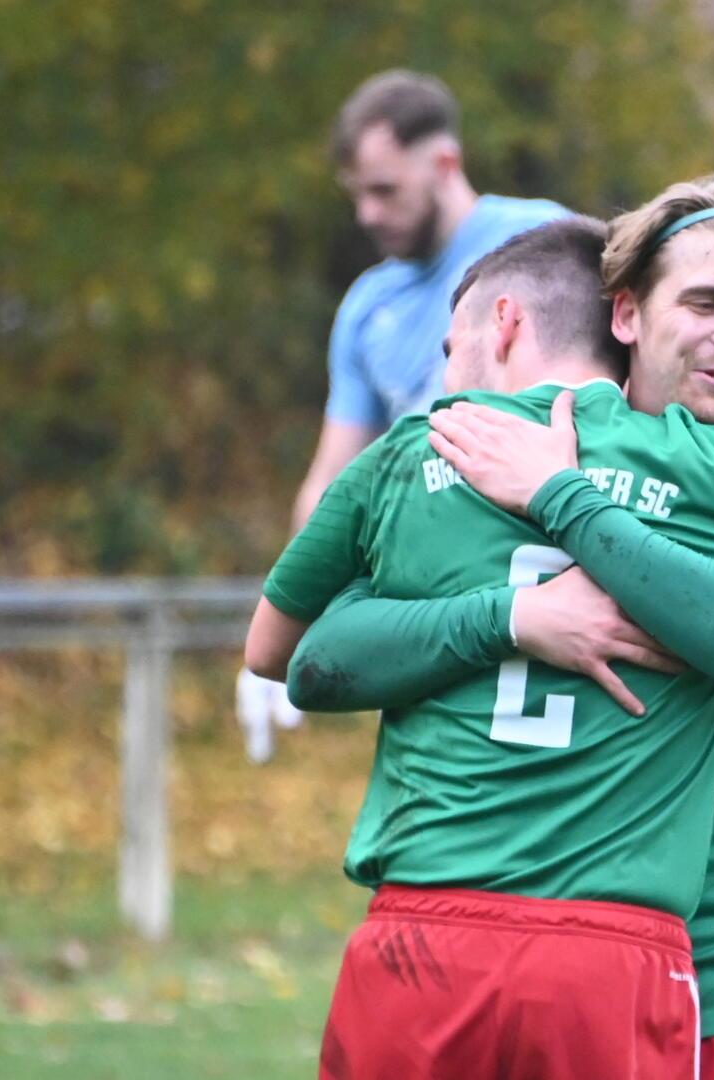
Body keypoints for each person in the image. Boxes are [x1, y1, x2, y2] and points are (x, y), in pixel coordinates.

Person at [268, 178, 714, 1079]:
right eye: (705, 301)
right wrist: (517, 614)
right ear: (626, 317)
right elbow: (311, 654)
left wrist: (567, 497)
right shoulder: (492, 457)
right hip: (571, 947)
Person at [237, 68, 570, 762]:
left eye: (384, 189)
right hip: (434, 607)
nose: (366, 213)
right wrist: (290, 607)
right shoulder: (366, 306)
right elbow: (333, 477)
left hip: (548, 580)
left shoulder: (544, 244)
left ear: (444, 162)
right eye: (356, 193)